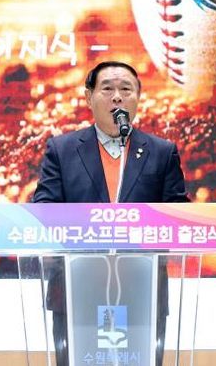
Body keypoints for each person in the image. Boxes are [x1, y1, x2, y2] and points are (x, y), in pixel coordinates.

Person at [33, 61, 190, 366]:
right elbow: (44, 211)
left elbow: (177, 214)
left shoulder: (161, 152)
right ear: (88, 97)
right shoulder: (62, 150)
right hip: (75, 289)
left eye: (126, 89)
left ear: (138, 98)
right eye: (107, 88)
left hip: (142, 290)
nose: (117, 96)